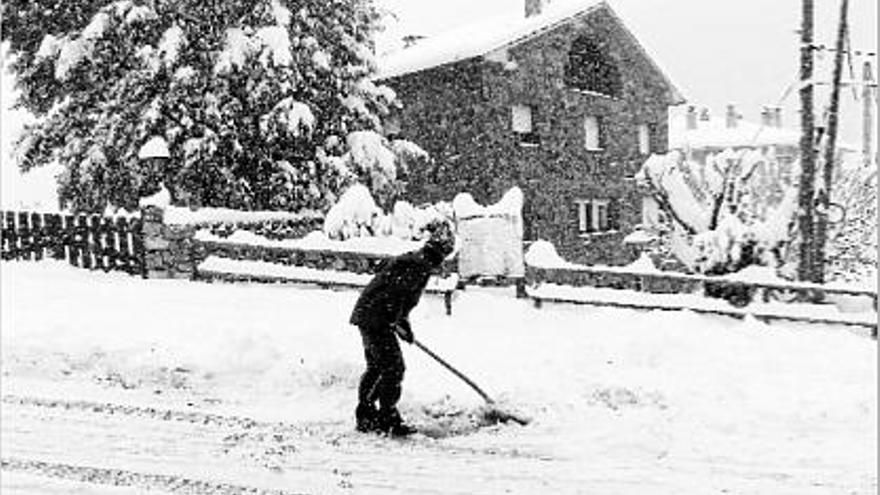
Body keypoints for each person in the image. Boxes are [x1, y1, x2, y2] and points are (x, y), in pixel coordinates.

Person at [349, 219, 456, 436]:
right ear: (442, 254)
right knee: (393, 368)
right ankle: (386, 418)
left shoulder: (417, 261)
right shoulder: (418, 266)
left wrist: (403, 323)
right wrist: (394, 320)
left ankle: (367, 416)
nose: (444, 264)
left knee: (378, 367)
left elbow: (400, 300)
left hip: (371, 316)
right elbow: (395, 295)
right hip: (376, 318)